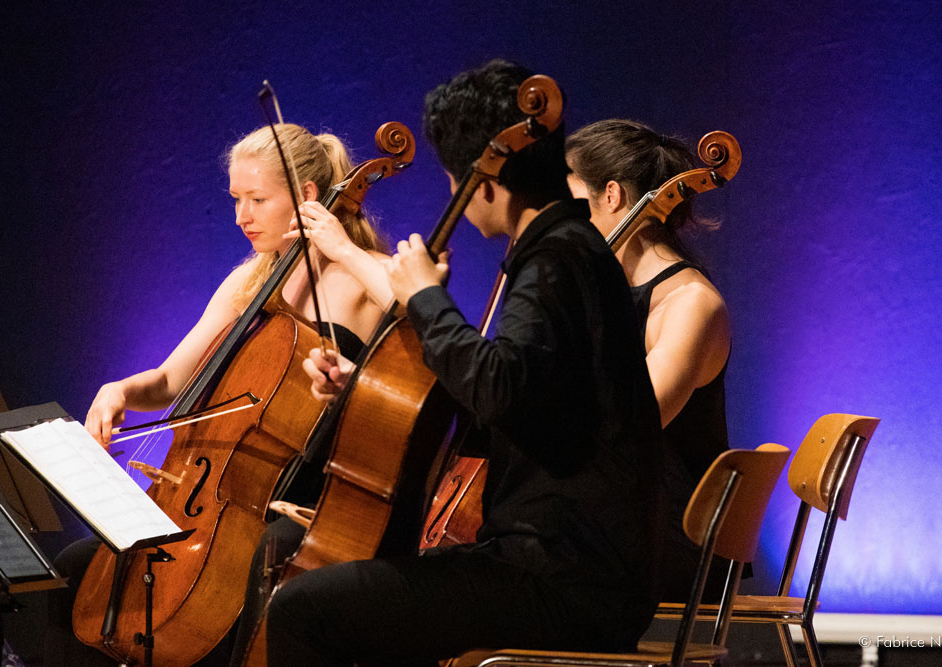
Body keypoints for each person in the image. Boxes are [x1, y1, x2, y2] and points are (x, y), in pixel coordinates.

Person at [272, 59, 668, 666]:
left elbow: (498, 389)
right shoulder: (572, 250)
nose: (456, 194)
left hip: (563, 577)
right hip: (584, 571)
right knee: (370, 604)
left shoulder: (556, 262)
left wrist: (425, 299)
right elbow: (526, 403)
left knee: (302, 609)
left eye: (455, 178)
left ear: (485, 183)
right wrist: (368, 386)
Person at [45, 123, 388, 667]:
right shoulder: (247, 282)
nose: (240, 216)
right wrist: (119, 390)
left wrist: (344, 250)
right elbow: (170, 381)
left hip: (297, 502)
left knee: (256, 568)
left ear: (306, 196)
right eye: (235, 199)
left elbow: (427, 322)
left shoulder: (363, 280)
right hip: (211, 501)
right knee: (74, 570)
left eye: (257, 199)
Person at [565, 119, 733, 600]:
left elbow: (630, 425)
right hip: (611, 521)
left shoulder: (690, 305)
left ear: (611, 196)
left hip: (662, 537)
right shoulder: (610, 292)